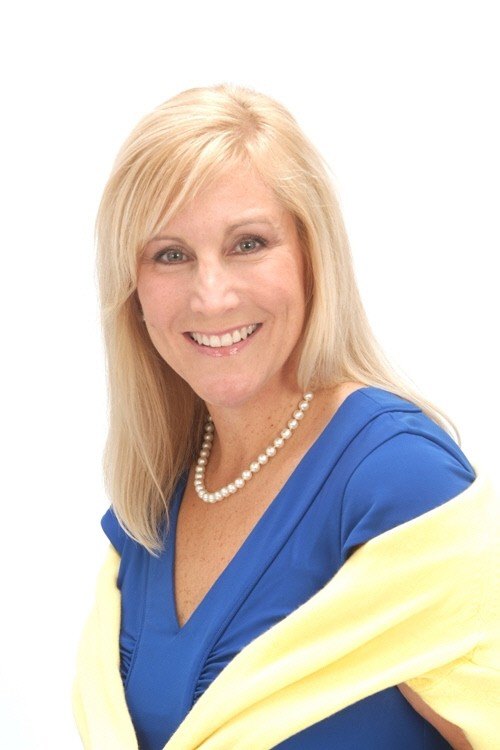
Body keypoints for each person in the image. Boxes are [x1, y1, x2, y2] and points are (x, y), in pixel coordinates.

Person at [73, 84, 499, 750]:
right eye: (171, 254)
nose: (212, 296)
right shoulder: (152, 504)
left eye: (247, 244)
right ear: (133, 290)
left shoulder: (397, 480)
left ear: (310, 255)